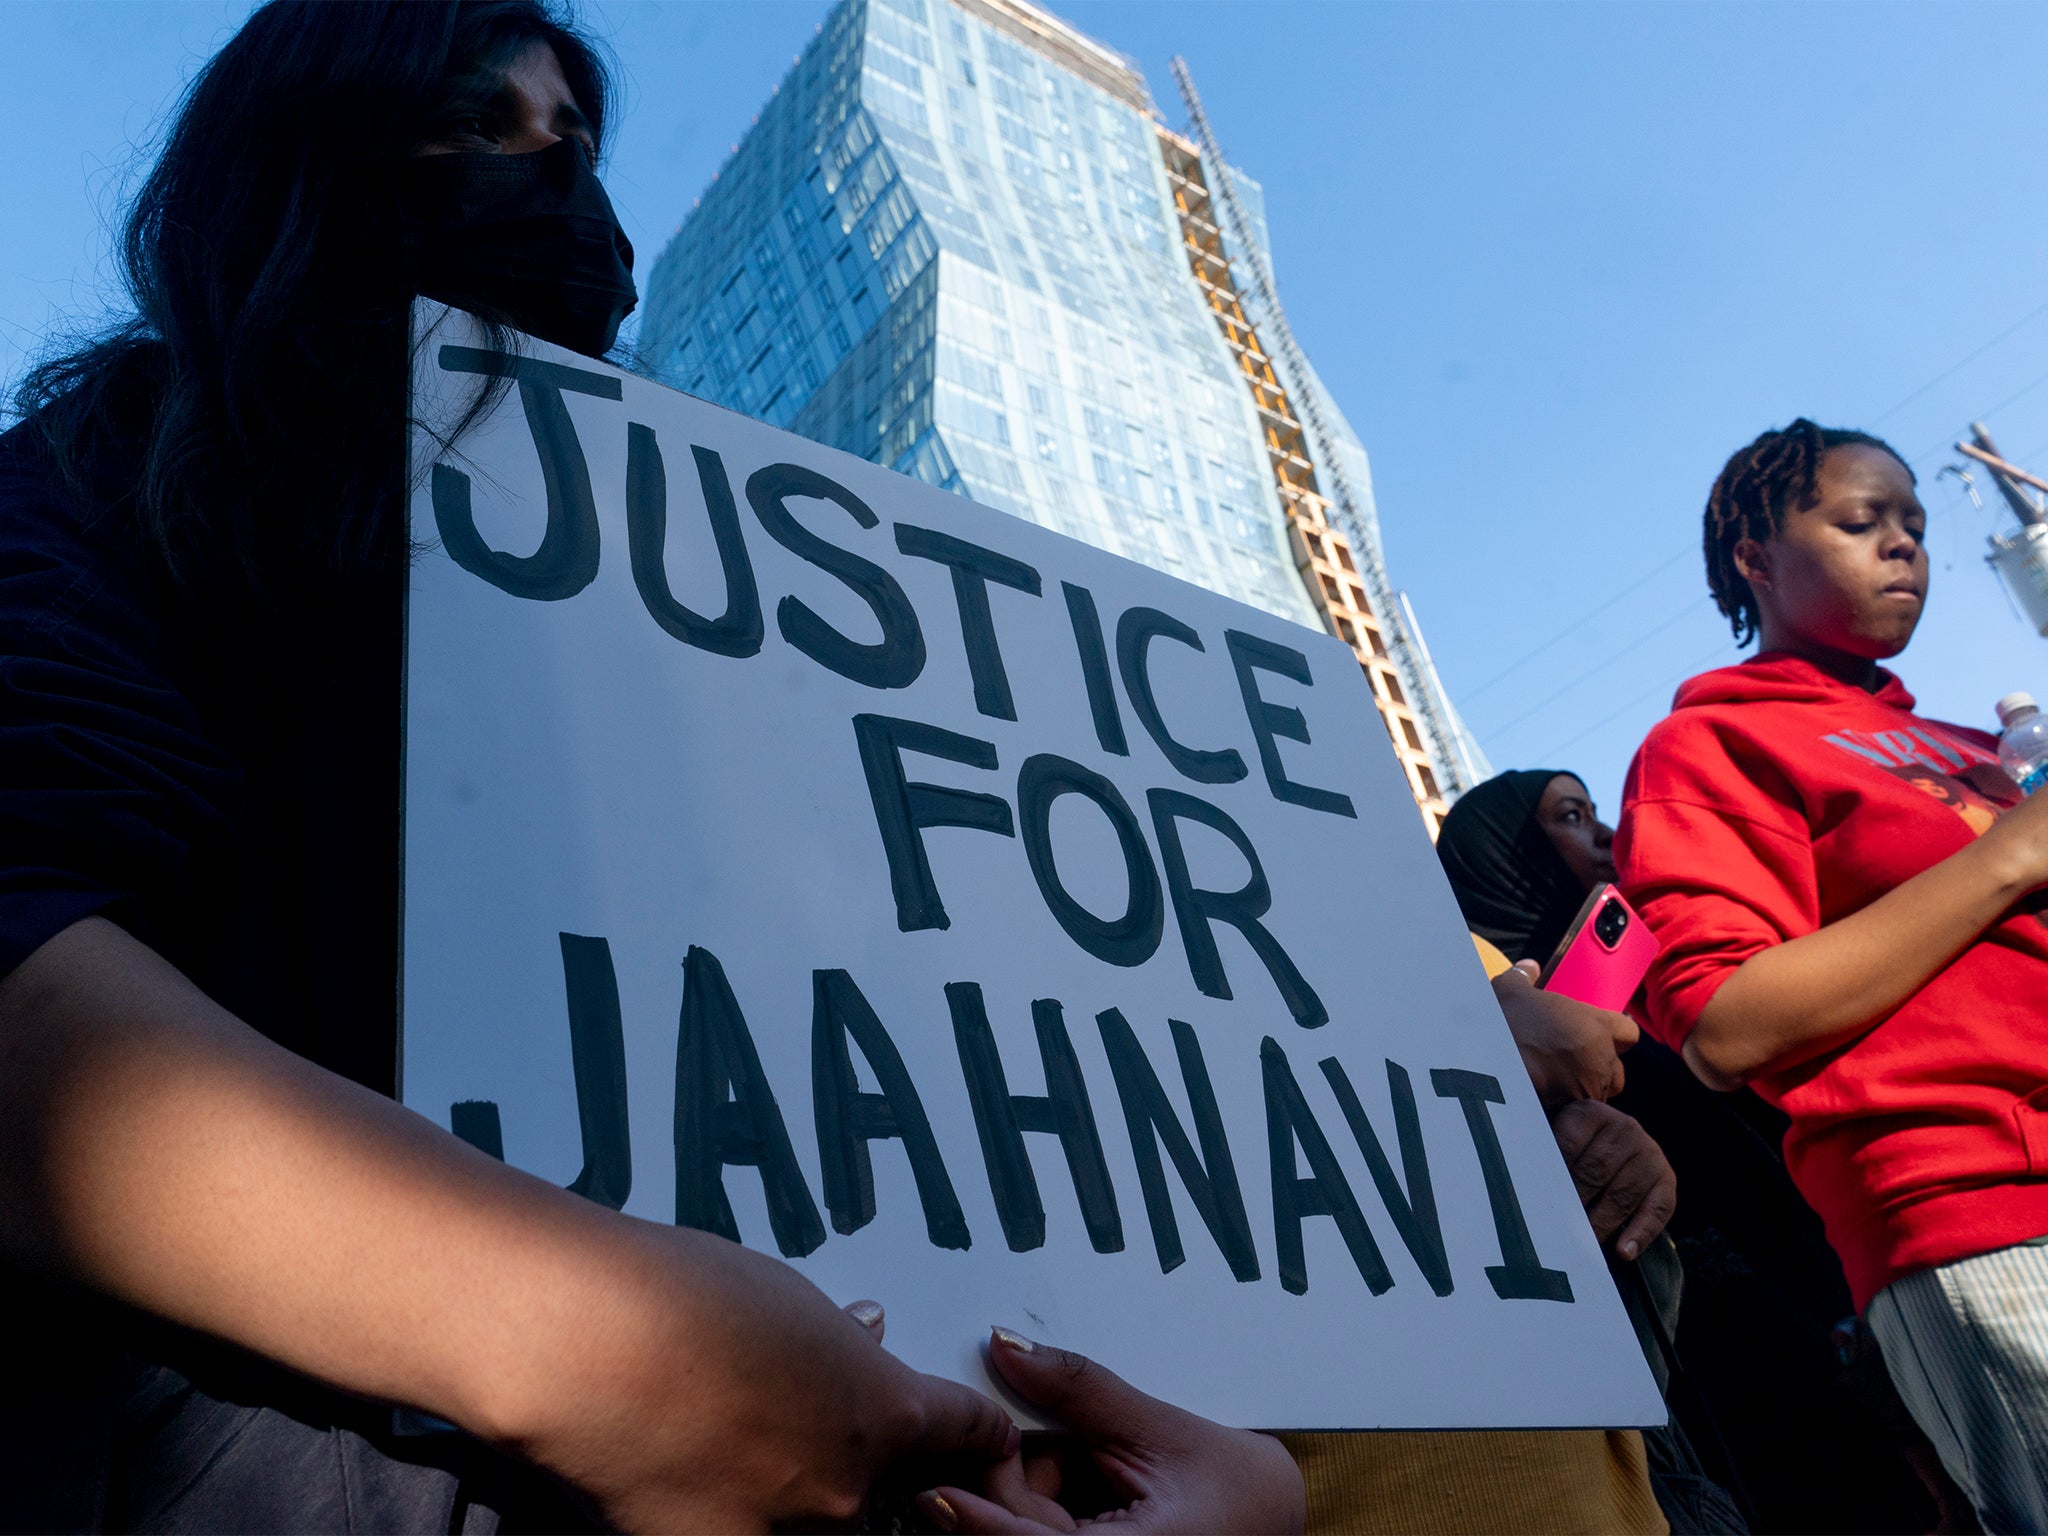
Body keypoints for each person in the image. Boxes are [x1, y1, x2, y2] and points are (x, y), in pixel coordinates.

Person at [0, 5, 1022, 1529]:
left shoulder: (698, 605)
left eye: (580, 143)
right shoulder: (101, 489)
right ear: (299, 166)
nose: (556, 182)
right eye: (484, 128)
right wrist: (592, 1342)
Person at [1618, 417, 2048, 1533]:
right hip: (1985, 1214)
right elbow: (1724, 1026)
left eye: (1912, 522)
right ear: (1754, 558)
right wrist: (2007, 857)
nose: (1902, 544)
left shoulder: (1973, 750)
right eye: (1860, 521)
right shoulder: (1708, 749)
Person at [1442, 767, 1957, 1533]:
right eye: (1572, 817)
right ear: (1503, 859)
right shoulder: (1471, 1042)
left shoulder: (1664, 1002)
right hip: (1686, 1408)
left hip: (1819, 1353)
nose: (1606, 835)